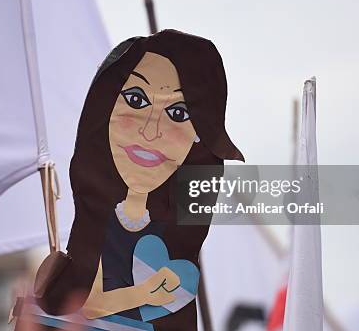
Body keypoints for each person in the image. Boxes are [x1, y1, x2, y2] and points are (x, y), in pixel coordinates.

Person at [32, 29, 244, 331]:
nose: (150, 130)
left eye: (178, 112)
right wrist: (143, 294)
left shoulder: (175, 245)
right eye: (136, 99)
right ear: (106, 111)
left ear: (198, 138)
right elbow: (88, 304)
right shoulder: (98, 227)